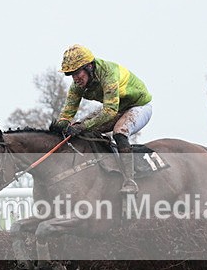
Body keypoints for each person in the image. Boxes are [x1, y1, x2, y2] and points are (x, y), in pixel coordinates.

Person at [54, 44, 153, 194]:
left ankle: (130, 181)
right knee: (80, 128)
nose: (75, 79)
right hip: (118, 107)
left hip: (139, 106)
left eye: (77, 73)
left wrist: (83, 126)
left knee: (119, 132)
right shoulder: (77, 86)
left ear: (89, 66)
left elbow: (109, 111)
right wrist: (61, 127)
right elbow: (68, 113)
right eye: (71, 75)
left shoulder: (108, 73)